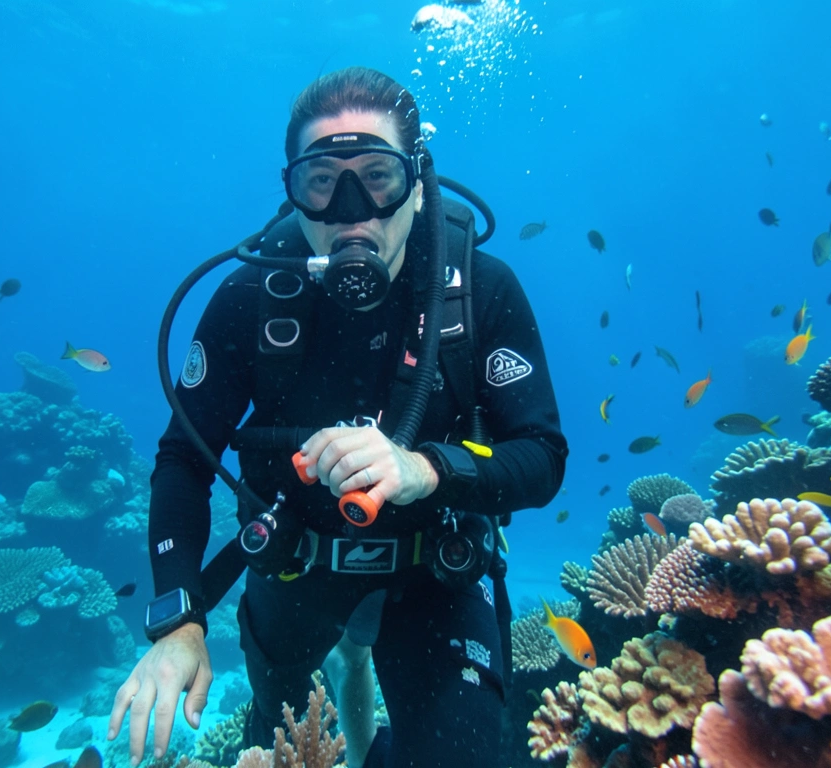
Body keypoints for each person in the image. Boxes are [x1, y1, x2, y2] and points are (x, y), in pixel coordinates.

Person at [108, 66, 566, 767]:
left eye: (378, 177)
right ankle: (350, 662)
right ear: (292, 189)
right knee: (281, 747)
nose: (353, 212)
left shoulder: (479, 289)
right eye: (322, 182)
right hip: (296, 569)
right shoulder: (251, 298)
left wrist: (425, 469)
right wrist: (178, 619)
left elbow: (541, 455)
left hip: (434, 572)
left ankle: (361, 684)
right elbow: (183, 459)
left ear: (418, 182)